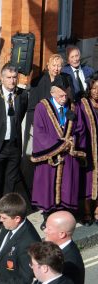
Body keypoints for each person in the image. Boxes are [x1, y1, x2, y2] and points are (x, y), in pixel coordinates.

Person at [31, 74, 86, 230]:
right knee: (48, 188)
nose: (64, 98)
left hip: (68, 156)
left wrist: (72, 141)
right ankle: (48, 217)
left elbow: (80, 129)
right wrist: (58, 145)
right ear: (53, 93)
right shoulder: (42, 107)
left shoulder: (73, 107)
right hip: (51, 158)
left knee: (67, 187)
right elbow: (40, 133)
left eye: (66, 94)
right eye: (61, 95)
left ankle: (64, 217)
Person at [0, 63, 28, 230]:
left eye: (15, 77)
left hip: (14, 146)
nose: (12, 80)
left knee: (10, 184)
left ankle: (7, 215)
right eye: (8, 77)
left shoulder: (22, 95)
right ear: (1, 78)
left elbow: (21, 115)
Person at [0, 193, 41, 284]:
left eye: (4, 218)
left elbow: (26, 279)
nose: (0, 220)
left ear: (17, 218)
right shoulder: (9, 225)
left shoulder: (29, 242)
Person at [44, 211, 84, 284]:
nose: (45, 230)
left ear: (62, 234)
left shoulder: (67, 264)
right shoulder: (63, 249)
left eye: (49, 229)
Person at [79, 72, 98, 225]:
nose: (96, 91)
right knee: (88, 182)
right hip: (89, 150)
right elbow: (79, 128)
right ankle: (86, 213)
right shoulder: (83, 104)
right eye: (93, 88)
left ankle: (97, 211)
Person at [27, 54, 65, 122]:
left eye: (59, 66)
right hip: (41, 121)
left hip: (59, 121)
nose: (56, 69)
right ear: (48, 65)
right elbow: (32, 108)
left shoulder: (64, 81)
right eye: (53, 65)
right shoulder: (37, 82)